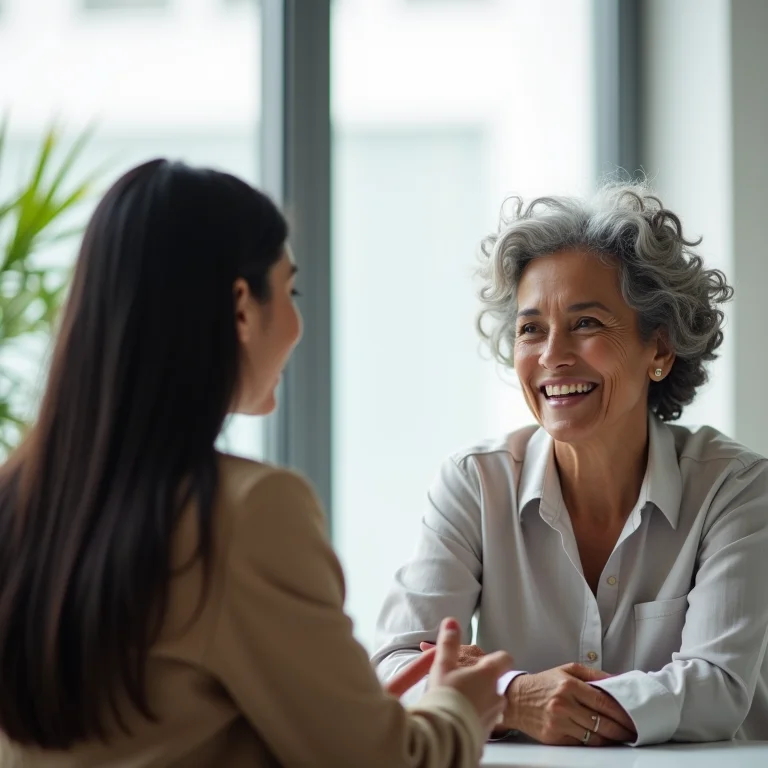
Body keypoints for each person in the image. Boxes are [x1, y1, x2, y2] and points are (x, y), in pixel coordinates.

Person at [0, 159, 513, 767]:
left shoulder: (17, 498)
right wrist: (460, 708)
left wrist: (348, 709)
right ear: (242, 308)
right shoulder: (248, 512)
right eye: (290, 289)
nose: (297, 323)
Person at [373, 183, 768, 748]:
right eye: (531, 328)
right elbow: (397, 666)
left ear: (659, 350)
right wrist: (516, 697)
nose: (552, 356)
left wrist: (500, 693)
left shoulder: (736, 488)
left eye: (585, 324)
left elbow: (718, 688)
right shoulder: (473, 484)